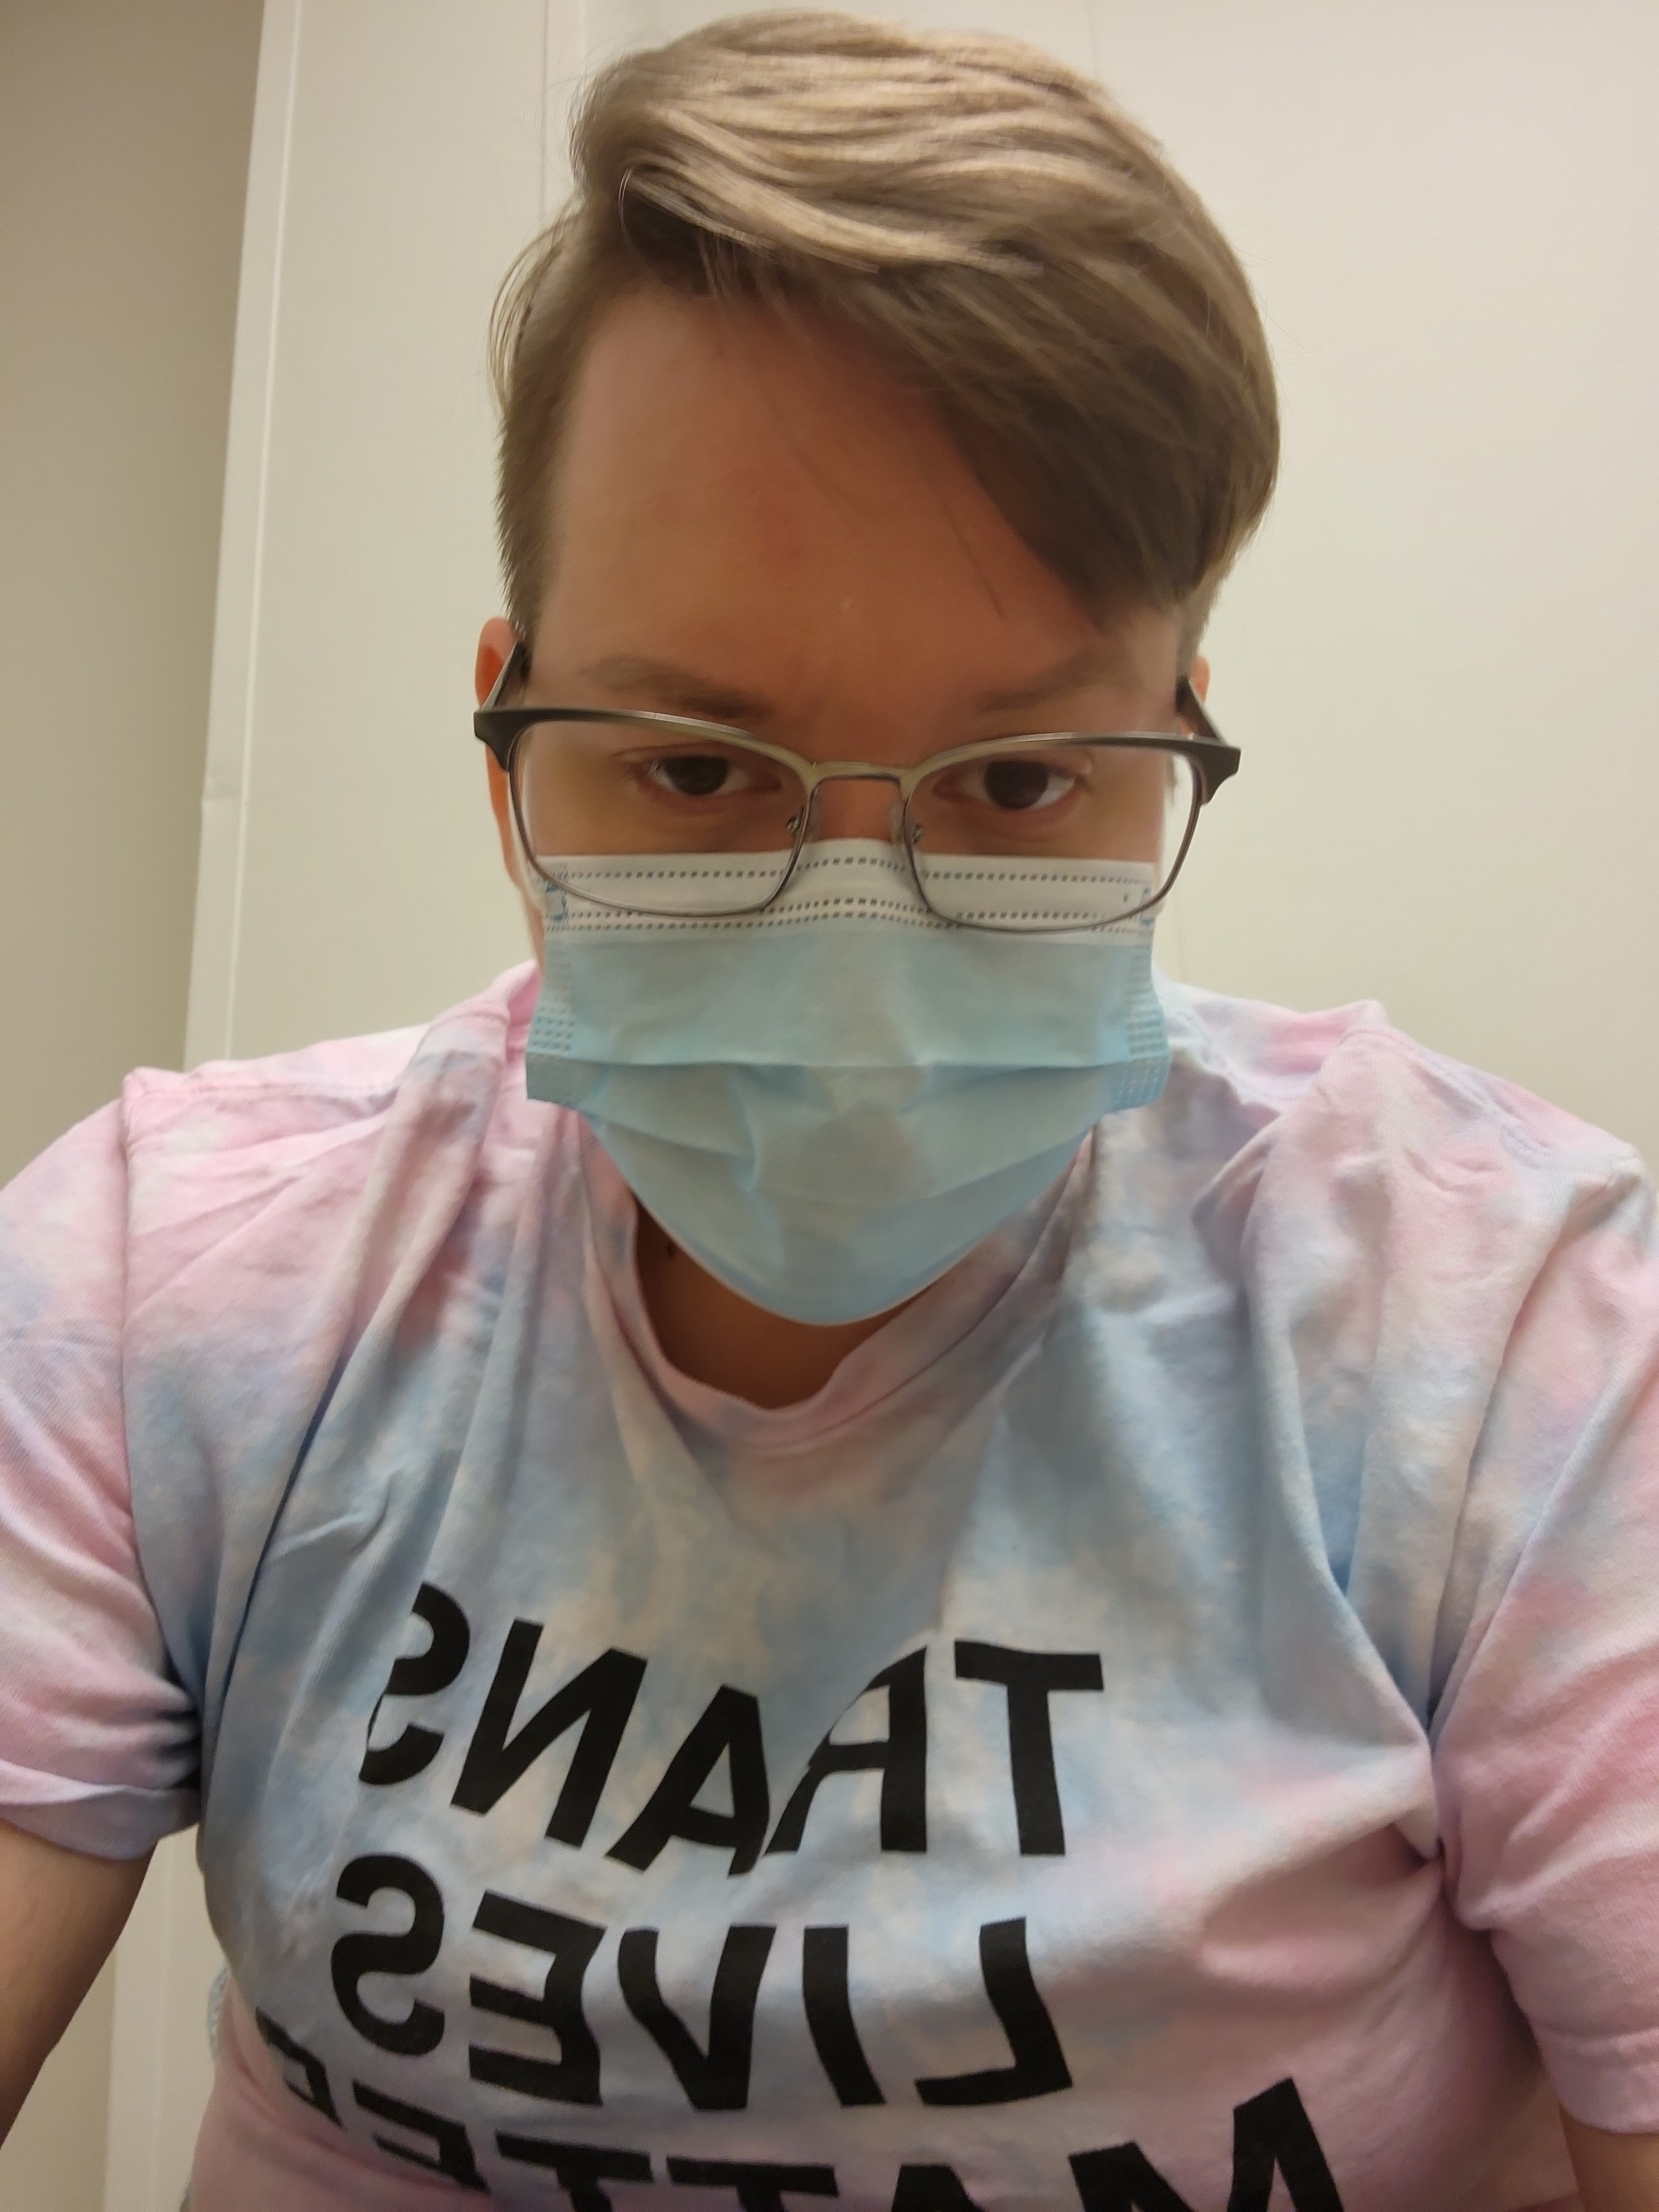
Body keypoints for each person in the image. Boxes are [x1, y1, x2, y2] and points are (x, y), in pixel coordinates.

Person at [2, 12, 1657, 2208]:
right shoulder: (173, 1278)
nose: (859, 957)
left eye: (1018, 781)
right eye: (696, 768)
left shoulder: (1511, 1350)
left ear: (1176, 737)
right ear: (507, 745)